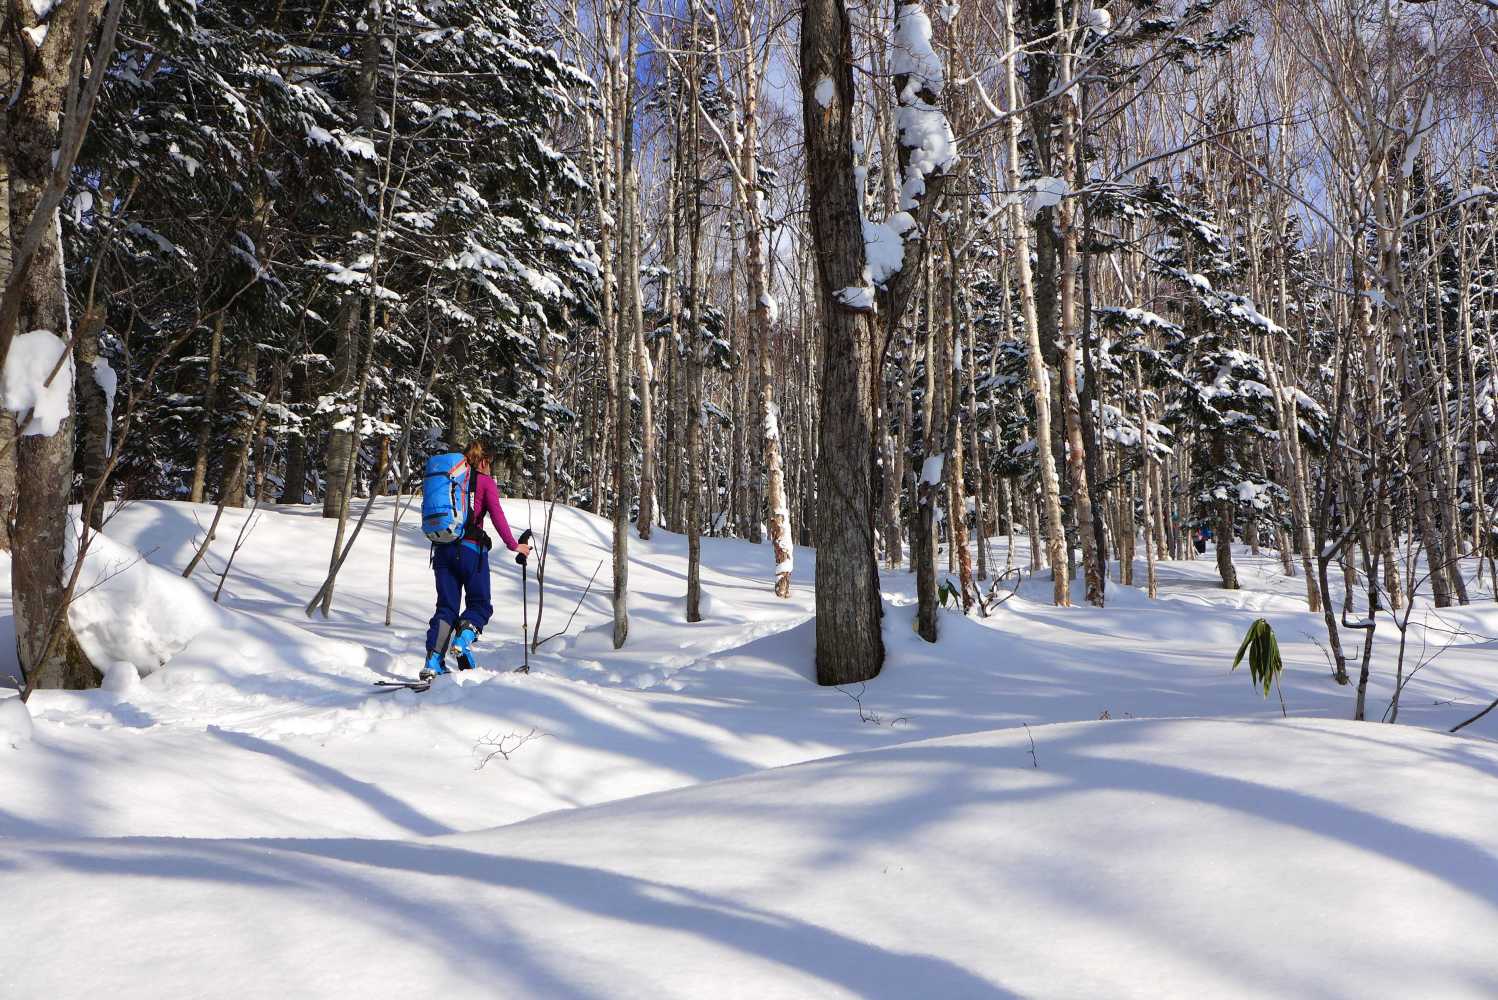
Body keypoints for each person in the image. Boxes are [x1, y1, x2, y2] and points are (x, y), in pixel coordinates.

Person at [422, 439, 529, 679]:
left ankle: (432, 661)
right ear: (482, 461)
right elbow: (498, 518)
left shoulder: (451, 482)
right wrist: (515, 545)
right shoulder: (485, 482)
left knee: (446, 607)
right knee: (480, 604)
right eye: (489, 462)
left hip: (442, 550)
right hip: (471, 552)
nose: (490, 467)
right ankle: (463, 639)